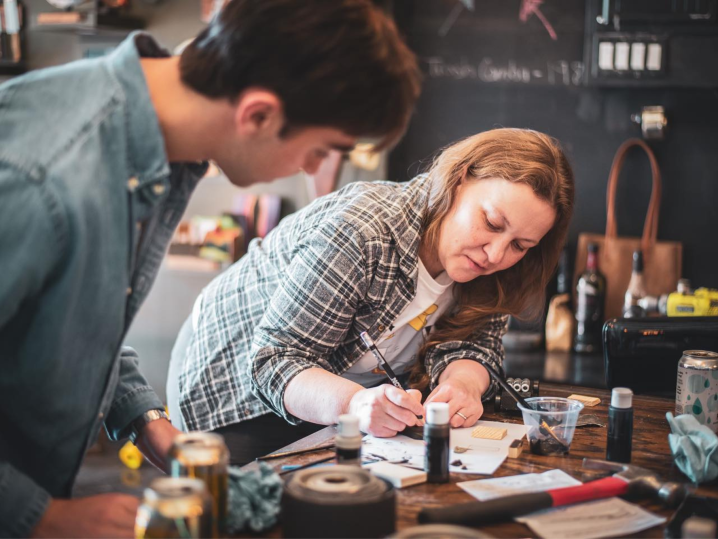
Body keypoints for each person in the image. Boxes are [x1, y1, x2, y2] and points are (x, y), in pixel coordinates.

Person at [0, 0, 420, 536]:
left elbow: (82, 311)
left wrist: (143, 417)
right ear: (259, 115)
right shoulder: (42, 174)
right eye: (321, 151)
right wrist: (43, 518)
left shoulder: (153, 152)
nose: (315, 169)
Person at [167, 128, 575, 464]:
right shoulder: (362, 231)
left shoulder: (497, 270)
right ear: (459, 178)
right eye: (491, 222)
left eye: (520, 245)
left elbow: (475, 344)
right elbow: (273, 362)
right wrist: (357, 404)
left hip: (337, 405)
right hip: (230, 395)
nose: (496, 255)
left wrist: (465, 383)